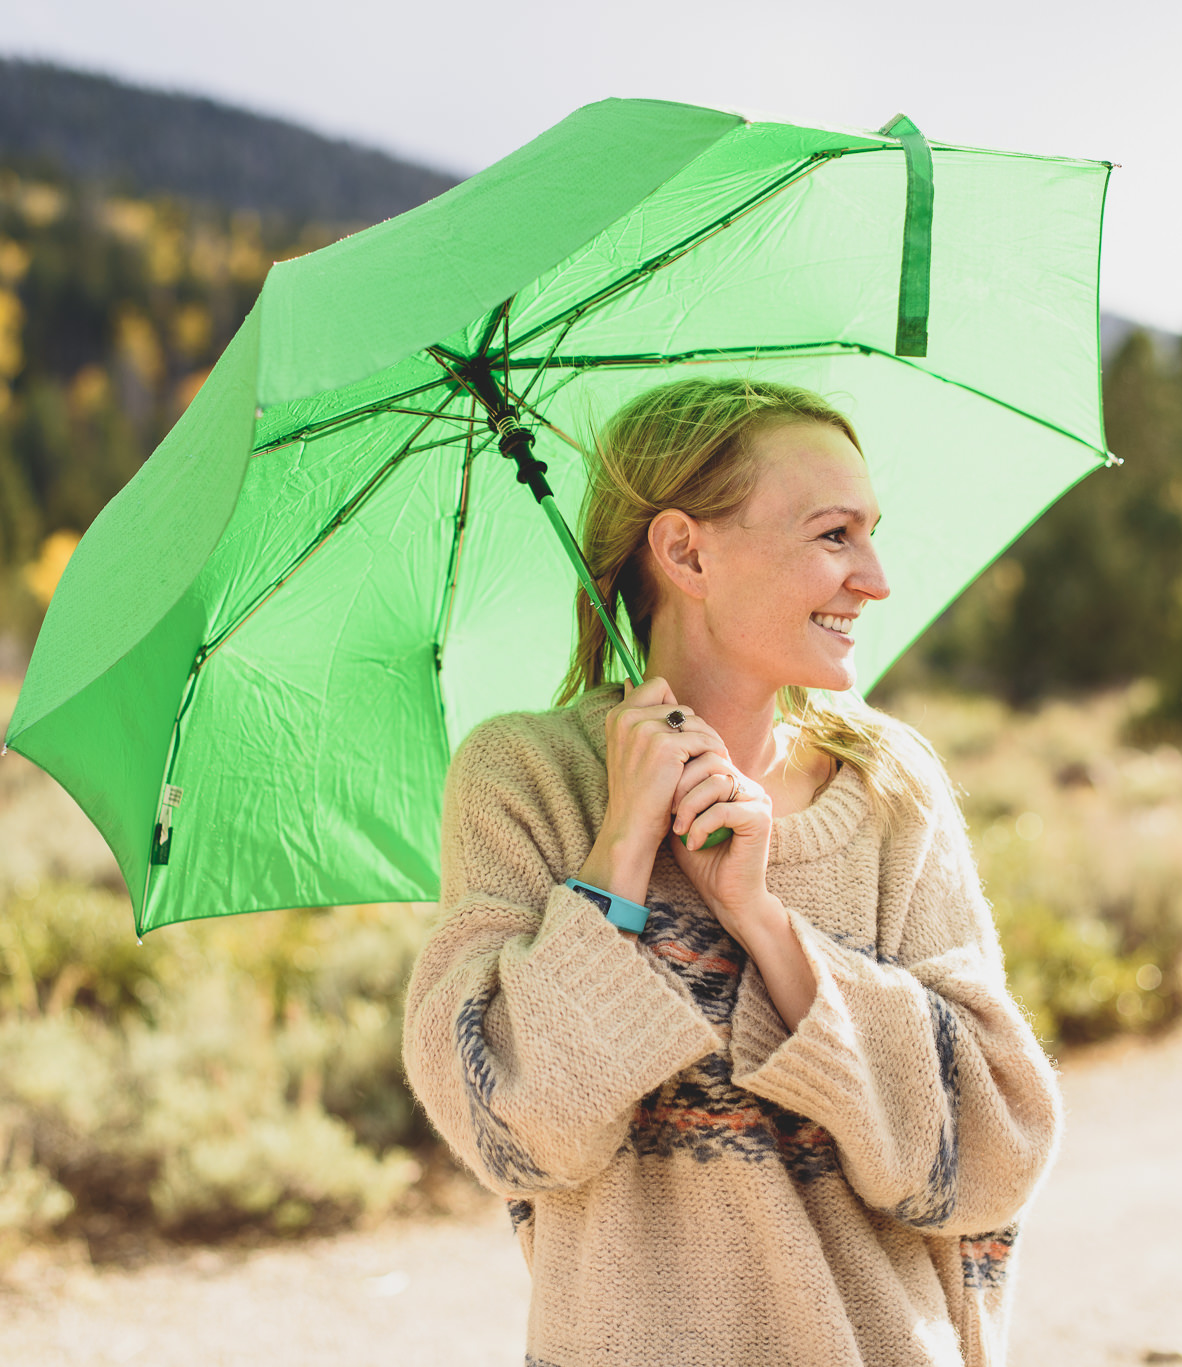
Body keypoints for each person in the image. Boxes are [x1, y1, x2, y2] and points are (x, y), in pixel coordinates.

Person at [402, 377, 1061, 1367]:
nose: (874, 577)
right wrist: (617, 851)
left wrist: (762, 920)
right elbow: (516, 1133)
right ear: (685, 551)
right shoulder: (525, 779)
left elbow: (993, 1152)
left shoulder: (890, 789)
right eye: (833, 534)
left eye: (869, 532)